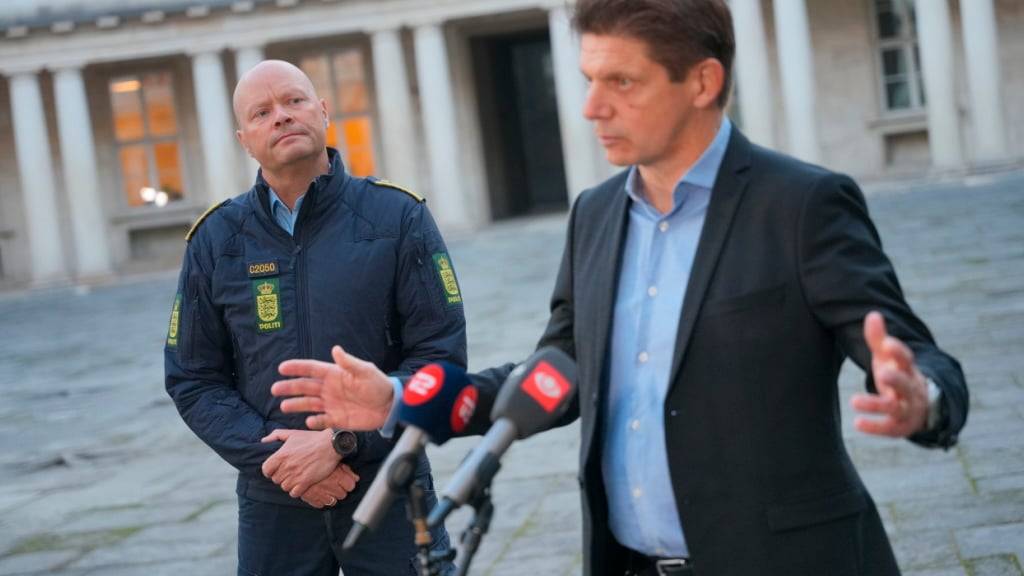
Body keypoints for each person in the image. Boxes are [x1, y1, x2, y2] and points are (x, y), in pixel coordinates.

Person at [270, 2, 969, 575]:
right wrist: (399, 399)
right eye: (587, 79)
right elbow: (552, 376)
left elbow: (920, 358)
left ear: (701, 82)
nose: (590, 108)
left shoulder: (803, 206)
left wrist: (921, 398)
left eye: (621, 83)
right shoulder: (597, 215)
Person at [164, 60, 464, 576]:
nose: (281, 117)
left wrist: (343, 443)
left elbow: (441, 364)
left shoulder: (398, 217)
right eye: (262, 112)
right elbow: (194, 379)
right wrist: (282, 462)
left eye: (294, 101)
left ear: (323, 112)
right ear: (245, 138)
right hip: (275, 502)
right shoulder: (216, 241)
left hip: (389, 486)